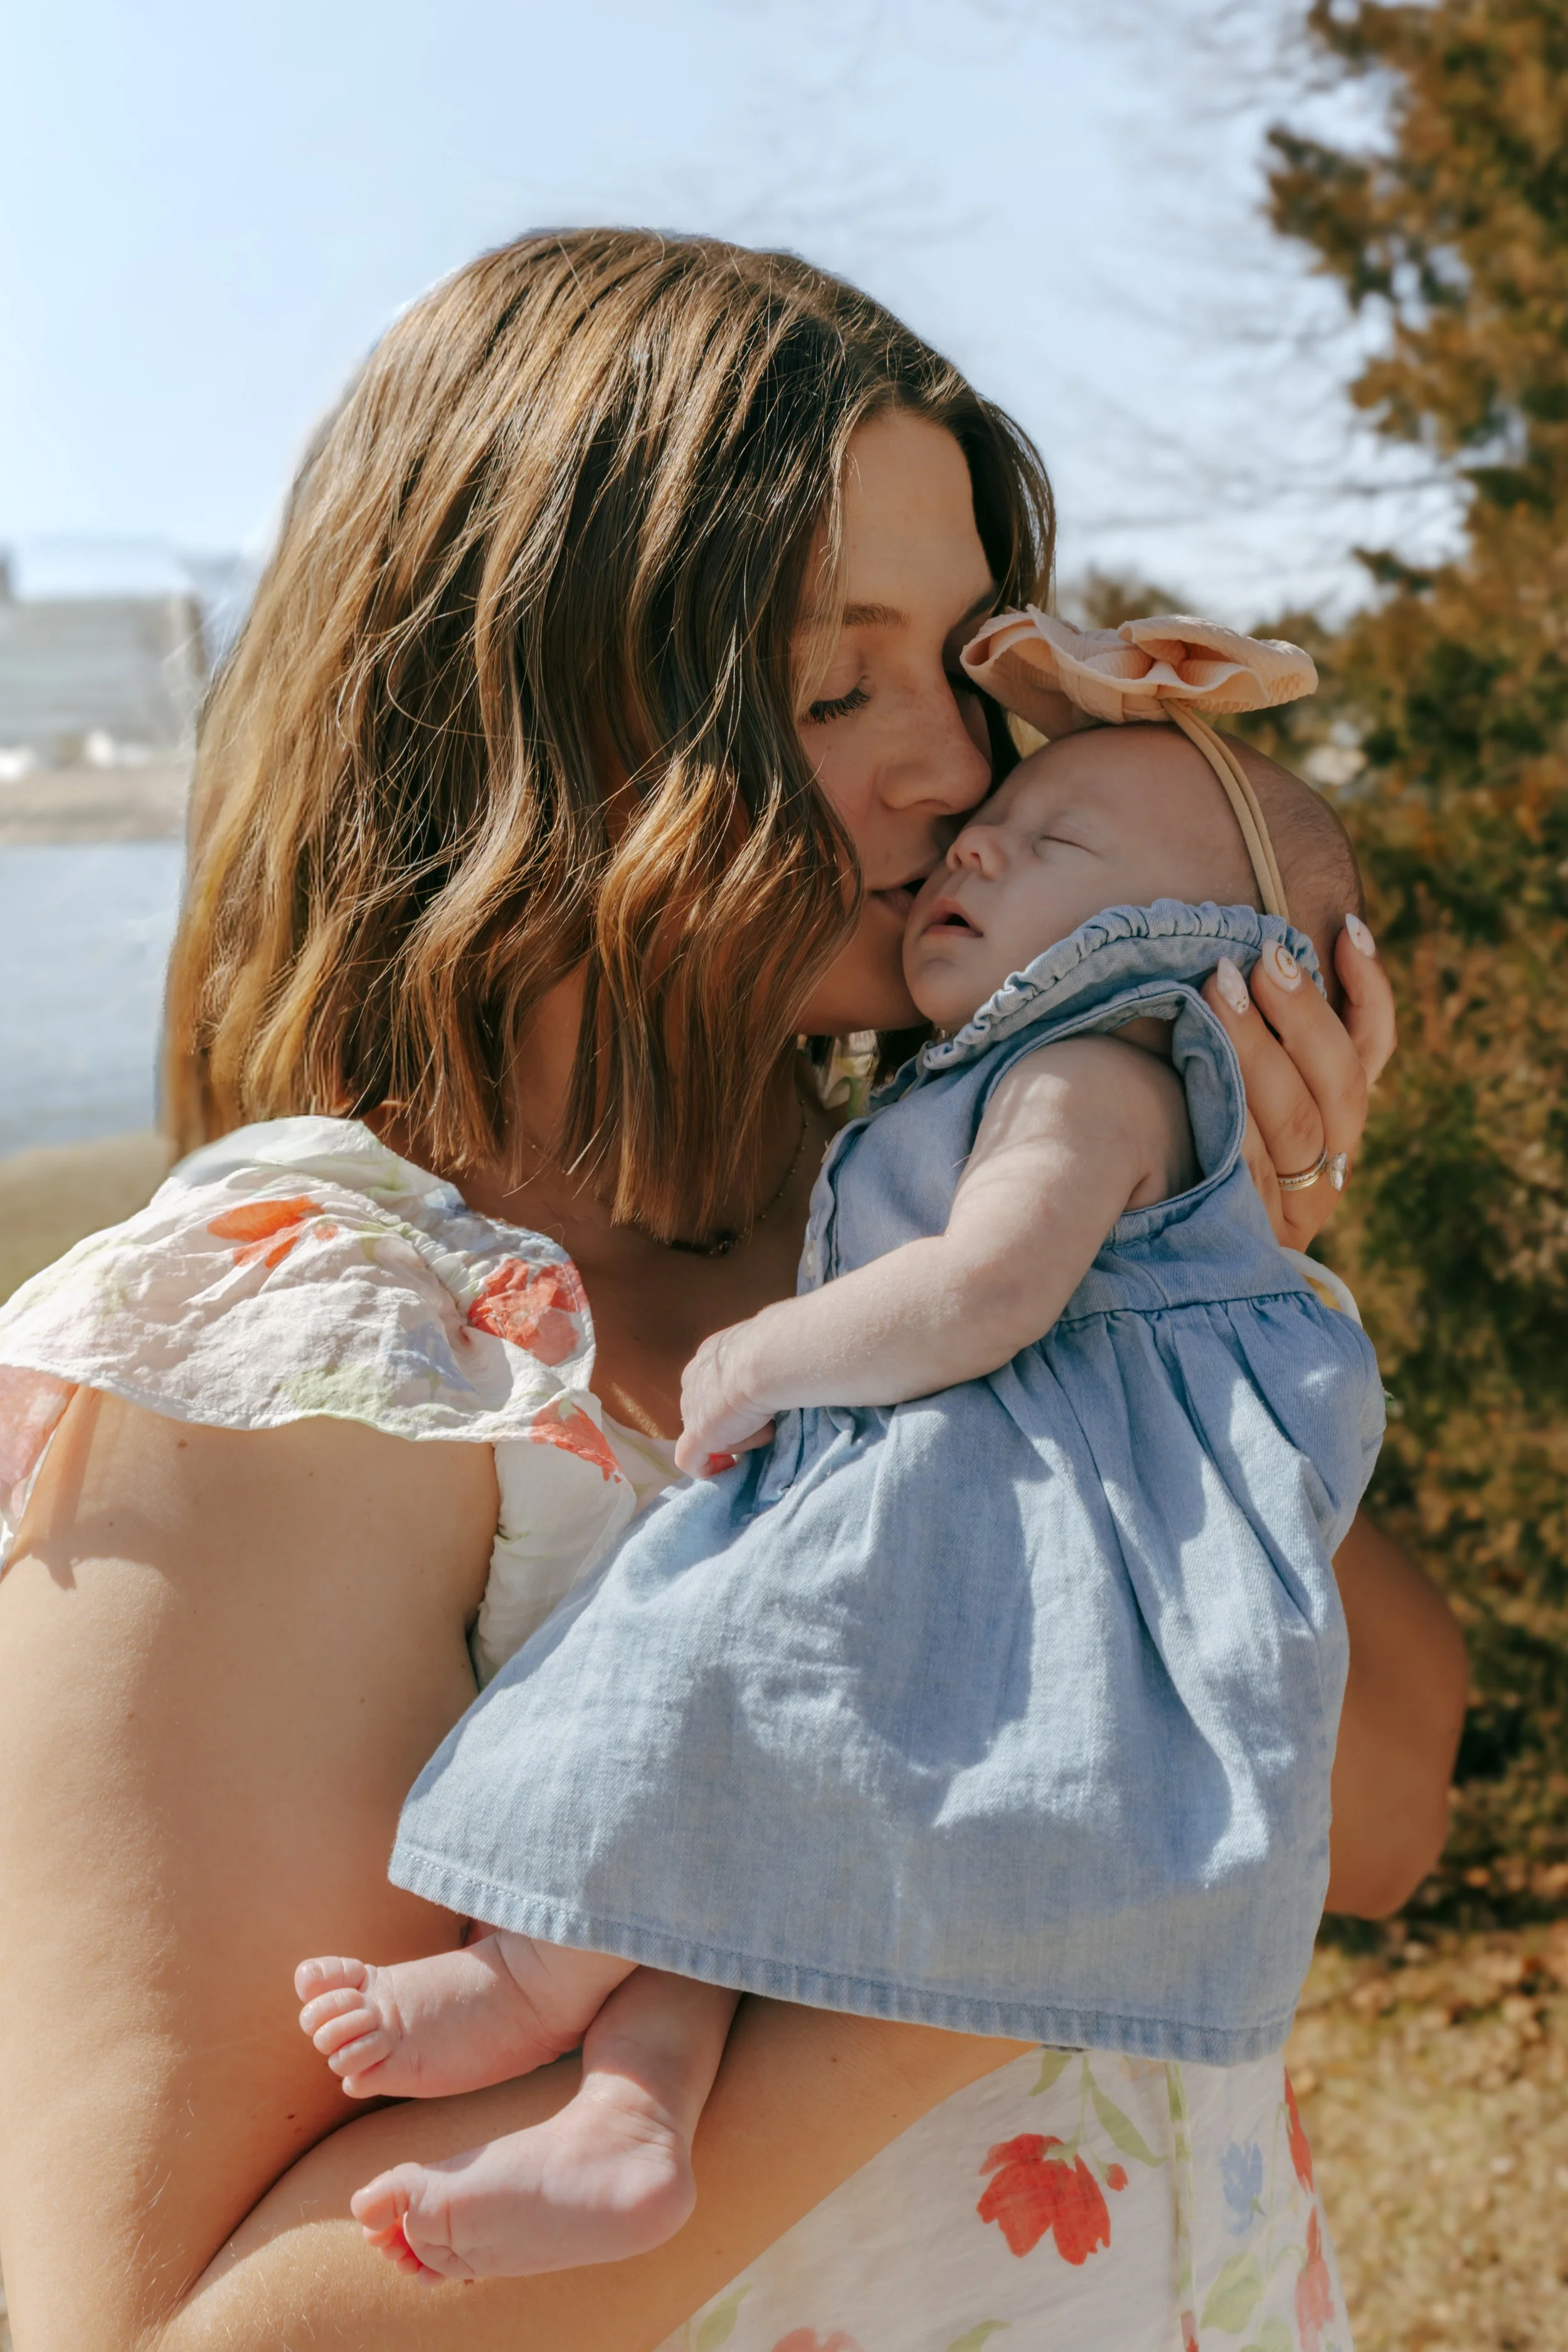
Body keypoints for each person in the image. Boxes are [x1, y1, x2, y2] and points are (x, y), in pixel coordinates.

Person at [0, 231, 1464, 2352]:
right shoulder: (300, 1354)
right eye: (825, 680)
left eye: (963, 672)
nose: (952, 770)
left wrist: (1215, 1310)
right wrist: (994, 1927)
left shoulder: (916, 1233)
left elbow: (1388, 1814)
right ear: (500, 692)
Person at [285, 620, 1384, 2290]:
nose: (975, 828)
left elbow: (991, 1282)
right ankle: (627, 2118)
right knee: (738, 1808)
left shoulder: (1095, 1065)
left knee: (693, 1679)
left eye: (1056, 840)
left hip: (995, 1529)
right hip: (967, 1508)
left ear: (1198, 949)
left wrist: (763, 1354)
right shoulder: (1009, 1075)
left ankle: (537, 1979)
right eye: (1001, 822)